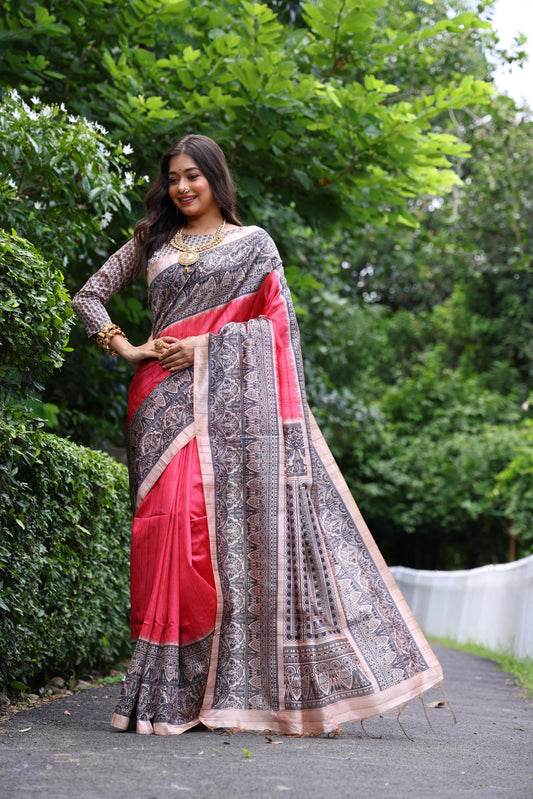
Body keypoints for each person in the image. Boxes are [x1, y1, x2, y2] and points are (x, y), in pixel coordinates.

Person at [73, 134, 442, 736]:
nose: (183, 187)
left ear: (216, 178)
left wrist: (205, 346)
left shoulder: (255, 246)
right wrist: (126, 346)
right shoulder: (151, 240)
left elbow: (278, 333)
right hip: (158, 405)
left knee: (206, 530)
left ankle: (221, 685)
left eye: (194, 175)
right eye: (173, 178)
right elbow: (87, 296)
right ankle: (163, 689)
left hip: (225, 409)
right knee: (166, 530)